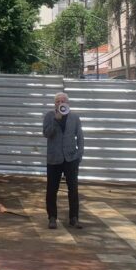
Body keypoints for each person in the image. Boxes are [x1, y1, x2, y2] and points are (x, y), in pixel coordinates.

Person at [42, 92, 84, 229]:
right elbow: (46, 134)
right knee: (51, 189)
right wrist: (56, 119)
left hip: (71, 158)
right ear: (55, 104)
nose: (60, 103)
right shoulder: (49, 116)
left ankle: (74, 218)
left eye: (62, 101)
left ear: (67, 103)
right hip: (54, 158)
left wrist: (79, 155)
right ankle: (52, 217)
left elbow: (80, 136)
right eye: (57, 102)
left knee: (73, 189)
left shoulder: (75, 117)